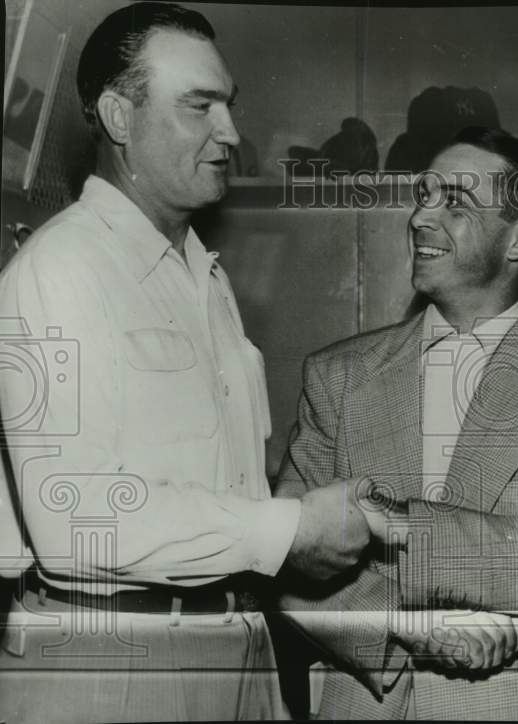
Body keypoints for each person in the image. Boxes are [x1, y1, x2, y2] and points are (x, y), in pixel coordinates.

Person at [0, 4, 369, 722]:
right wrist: (289, 530)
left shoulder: (200, 273)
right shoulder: (60, 271)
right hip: (113, 663)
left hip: (230, 642)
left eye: (229, 105)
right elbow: (75, 523)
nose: (230, 133)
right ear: (117, 115)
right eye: (200, 106)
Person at [276, 126, 518, 720]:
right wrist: (400, 624)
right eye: (424, 194)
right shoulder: (338, 375)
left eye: (454, 201)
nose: (421, 217)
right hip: (366, 700)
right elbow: (286, 550)